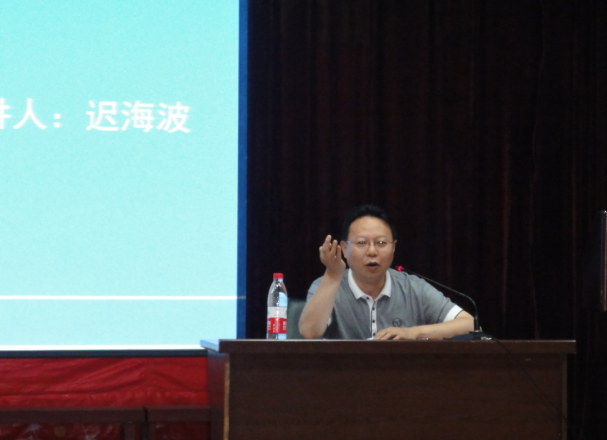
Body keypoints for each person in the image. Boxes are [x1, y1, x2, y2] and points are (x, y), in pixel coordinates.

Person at [299, 204, 474, 340]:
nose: (372, 251)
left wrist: (412, 333)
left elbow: (470, 326)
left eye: (381, 243)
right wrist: (332, 275)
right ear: (344, 248)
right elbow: (309, 333)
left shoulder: (413, 288)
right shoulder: (328, 285)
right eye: (361, 243)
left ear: (393, 248)